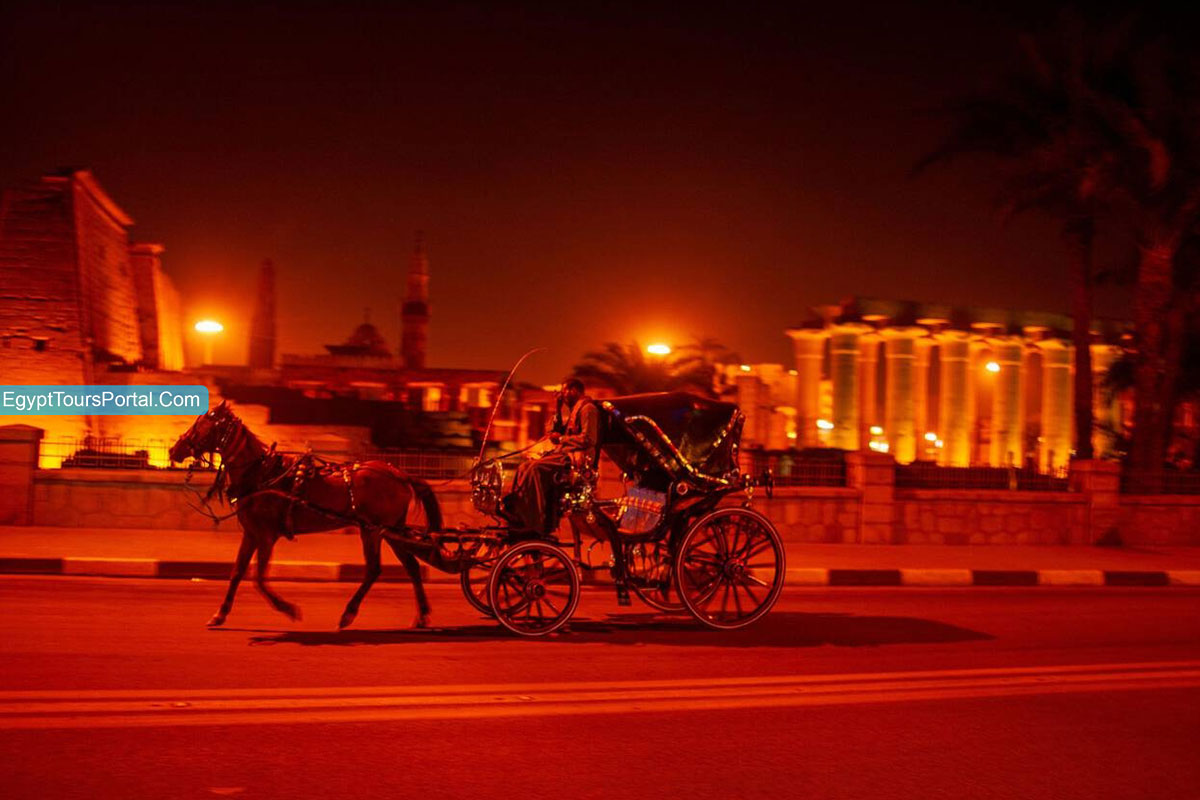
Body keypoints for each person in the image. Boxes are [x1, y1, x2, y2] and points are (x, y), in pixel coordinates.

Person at [505, 378, 598, 534]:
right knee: (524, 467)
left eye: (565, 390)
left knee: (535, 468)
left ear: (575, 390)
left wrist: (561, 439)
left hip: (575, 459)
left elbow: (589, 439)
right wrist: (558, 407)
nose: (562, 394)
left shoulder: (588, 409)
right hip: (563, 454)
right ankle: (519, 512)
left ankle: (536, 521)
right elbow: (555, 430)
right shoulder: (574, 411)